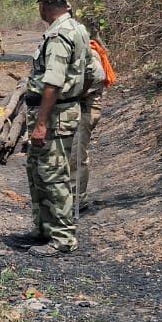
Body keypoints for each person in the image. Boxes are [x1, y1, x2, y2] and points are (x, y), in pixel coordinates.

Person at [16, 0, 91, 258]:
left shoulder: (60, 35)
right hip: (60, 110)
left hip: (53, 115)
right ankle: (43, 229)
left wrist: (42, 123)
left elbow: (53, 82)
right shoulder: (78, 29)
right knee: (38, 171)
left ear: (45, 5)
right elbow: (92, 74)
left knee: (53, 175)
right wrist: (74, 97)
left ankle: (62, 237)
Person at [74, 29, 108, 214]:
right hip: (77, 109)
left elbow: (97, 77)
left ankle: (78, 199)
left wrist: (72, 93)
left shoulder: (90, 53)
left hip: (85, 110)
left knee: (77, 155)